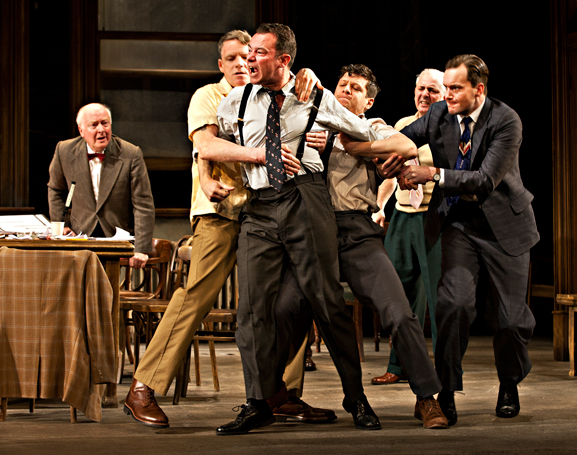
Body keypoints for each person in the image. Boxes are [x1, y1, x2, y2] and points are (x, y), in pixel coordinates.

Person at [122, 30, 333, 429]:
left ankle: (282, 393)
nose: (242, 63)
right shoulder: (209, 96)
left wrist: (308, 76)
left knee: (288, 300)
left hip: (268, 212)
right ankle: (143, 386)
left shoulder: (273, 93)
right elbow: (205, 144)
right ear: (221, 64)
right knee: (196, 296)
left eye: (248, 56)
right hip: (220, 211)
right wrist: (213, 172)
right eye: (233, 58)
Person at [205, 23, 395, 435]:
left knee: (326, 300)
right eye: (248, 53)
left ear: (284, 60)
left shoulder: (314, 95)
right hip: (259, 206)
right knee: (251, 310)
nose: (249, 59)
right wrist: (209, 175)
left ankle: (355, 397)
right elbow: (208, 144)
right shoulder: (236, 100)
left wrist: (395, 150)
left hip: (304, 199)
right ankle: (258, 401)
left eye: (258, 53)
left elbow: (363, 130)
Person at [304, 63, 448, 429]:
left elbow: (405, 145)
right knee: (299, 312)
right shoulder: (311, 126)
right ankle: (352, 400)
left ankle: (426, 397)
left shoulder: (373, 127)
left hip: (355, 231)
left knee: (399, 312)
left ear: (368, 102)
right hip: (311, 233)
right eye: (342, 84)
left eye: (356, 88)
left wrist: (350, 146)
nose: (346, 90)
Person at [398, 54, 539, 425]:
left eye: (455, 88)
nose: (447, 95)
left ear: (479, 89)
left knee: (510, 320)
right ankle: (446, 390)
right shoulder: (439, 114)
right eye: (445, 87)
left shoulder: (505, 120)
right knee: (454, 304)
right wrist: (383, 151)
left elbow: (484, 179)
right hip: (459, 222)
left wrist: (432, 173)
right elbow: (402, 138)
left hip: (505, 226)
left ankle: (509, 382)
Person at [370, 69, 445, 385]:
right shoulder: (402, 126)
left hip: (434, 218)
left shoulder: (450, 129)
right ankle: (398, 364)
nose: (424, 94)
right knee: (397, 294)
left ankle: (444, 367)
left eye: (433, 90)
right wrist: (379, 206)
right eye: (420, 88)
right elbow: (390, 174)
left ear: (445, 95)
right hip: (402, 217)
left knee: (439, 298)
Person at [48, 103, 154, 268]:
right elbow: (56, 190)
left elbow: (143, 204)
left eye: (105, 123)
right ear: (81, 130)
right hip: (79, 236)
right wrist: (61, 225)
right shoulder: (64, 150)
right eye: (94, 125)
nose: (101, 130)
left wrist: (141, 249)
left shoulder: (131, 154)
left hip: (117, 236)